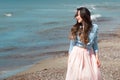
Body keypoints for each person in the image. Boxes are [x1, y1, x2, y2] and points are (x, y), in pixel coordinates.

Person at [65, 7, 101, 80]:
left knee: (89, 76)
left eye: (78, 15)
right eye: (76, 15)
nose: (76, 17)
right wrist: (70, 59)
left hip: (89, 55)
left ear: (84, 15)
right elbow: (72, 45)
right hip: (76, 54)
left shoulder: (95, 27)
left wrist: (97, 57)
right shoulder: (76, 28)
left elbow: (95, 43)